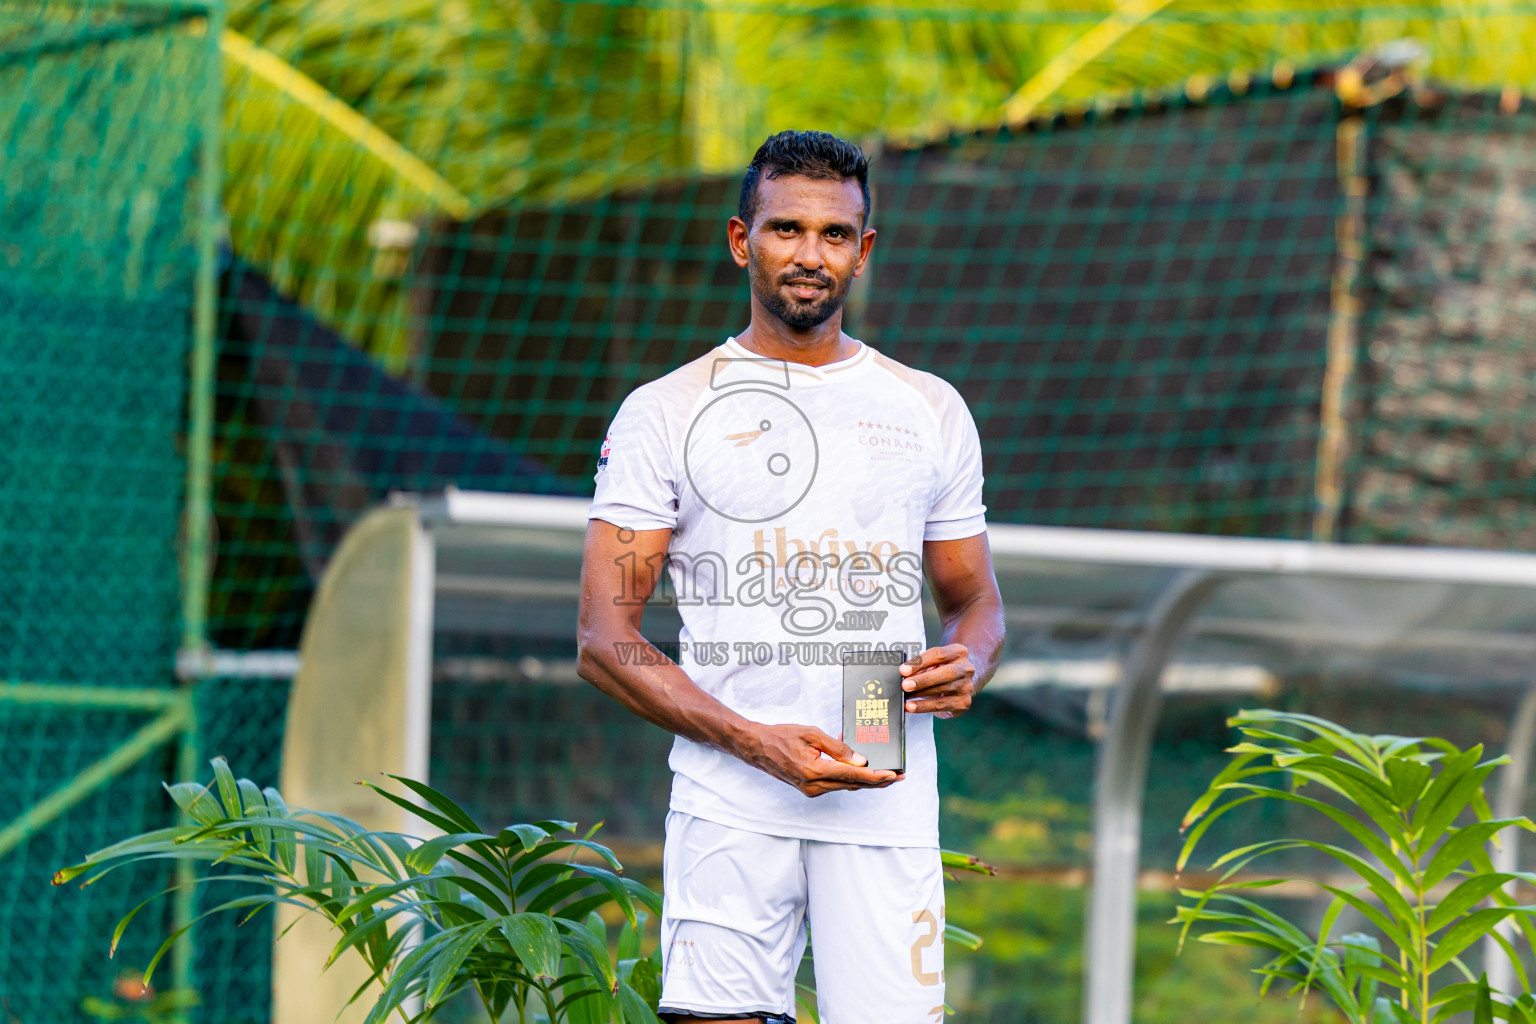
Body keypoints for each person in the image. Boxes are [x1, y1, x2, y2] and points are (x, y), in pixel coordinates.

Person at [576, 129, 1005, 1024]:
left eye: (835, 235)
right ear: (743, 240)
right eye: (786, 230)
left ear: (864, 252)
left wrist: (969, 658)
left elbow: (976, 605)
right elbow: (604, 641)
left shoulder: (927, 408)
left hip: (880, 780)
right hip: (729, 794)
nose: (810, 255)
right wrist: (752, 742)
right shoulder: (667, 410)